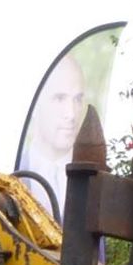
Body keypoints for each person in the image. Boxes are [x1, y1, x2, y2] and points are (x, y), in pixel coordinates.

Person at [16, 51, 89, 221]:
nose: (71, 114)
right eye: (59, 99)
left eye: (77, 99)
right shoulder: (7, 177)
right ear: (33, 105)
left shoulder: (92, 185)